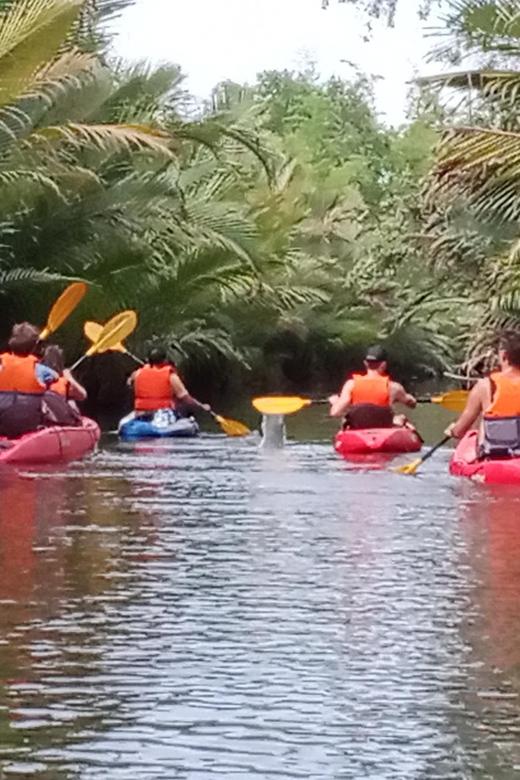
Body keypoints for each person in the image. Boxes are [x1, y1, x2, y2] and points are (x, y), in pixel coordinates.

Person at [445, 330, 520, 457]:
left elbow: (460, 430)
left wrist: (453, 430)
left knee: (482, 423)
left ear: (504, 356)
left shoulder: (485, 386)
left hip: (495, 456)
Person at [329, 344, 416, 428]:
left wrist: (336, 402)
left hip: (358, 428)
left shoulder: (351, 384)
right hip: (384, 429)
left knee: (345, 418)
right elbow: (411, 404)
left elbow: (335, 413)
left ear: (365, 363)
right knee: (400, 418)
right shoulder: (394, 387)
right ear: (384, 364)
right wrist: (409, 399)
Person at [0, 323, 58, 437]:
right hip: (28, 423)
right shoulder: (40, 369)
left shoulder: (1, 365)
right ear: (34, 347)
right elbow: (56, 377)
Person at [128, 347, 211, 418]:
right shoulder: (171, 376)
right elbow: (185, 397)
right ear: (165, 360)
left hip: (140, 413)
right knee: (185, 407)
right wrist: (202, 407)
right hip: (162, 415)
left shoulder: (137, 373)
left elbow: (129, 384)